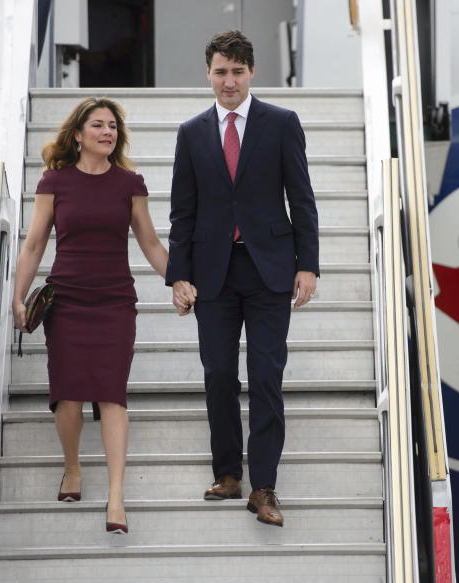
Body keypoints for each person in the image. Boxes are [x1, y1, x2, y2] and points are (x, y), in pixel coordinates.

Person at [165, 30, 319, 527]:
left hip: (270, 268)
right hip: (213, 273)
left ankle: (265, 487)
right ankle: (228, 473)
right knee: (217, 375)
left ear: (251, 73)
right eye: (219, 71)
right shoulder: (191, 132)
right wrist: (178, 276)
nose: (228, 80)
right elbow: (182, 212)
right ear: (208, 74)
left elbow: (302, 198)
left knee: (266, 376)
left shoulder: (281, 123)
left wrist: (308, 264)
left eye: (236, 71)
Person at [12, 97, 169, 534]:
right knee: (68, 397)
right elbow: (33, 245)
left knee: (112, 395)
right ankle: (73, 466)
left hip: (115, 302)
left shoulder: (130, 183)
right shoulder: (54, 182)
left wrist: (180, 280)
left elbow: (151, 244)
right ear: (78, 135)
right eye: (97, 125)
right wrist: (18, 297)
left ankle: (116, 498)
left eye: (112, 126)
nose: (107, 132)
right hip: (68, 300)